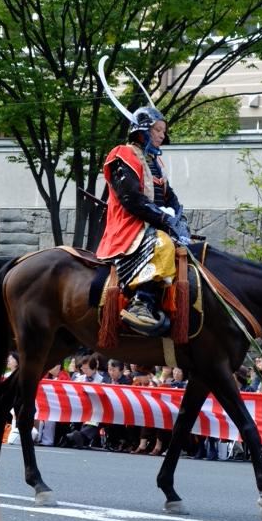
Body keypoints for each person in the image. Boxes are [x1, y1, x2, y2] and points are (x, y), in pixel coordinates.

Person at [96, 56, 191, 336]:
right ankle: (142, 303)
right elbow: (131, 199)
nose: (162, 135)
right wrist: (163, 218)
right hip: (130, 224)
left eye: (163, 131)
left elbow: (169, 195)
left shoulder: (157, 162)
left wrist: (176, 216)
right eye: (157, 130)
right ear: (142, 131)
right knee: (162, 244)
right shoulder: (122, 154)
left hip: (156, 220)